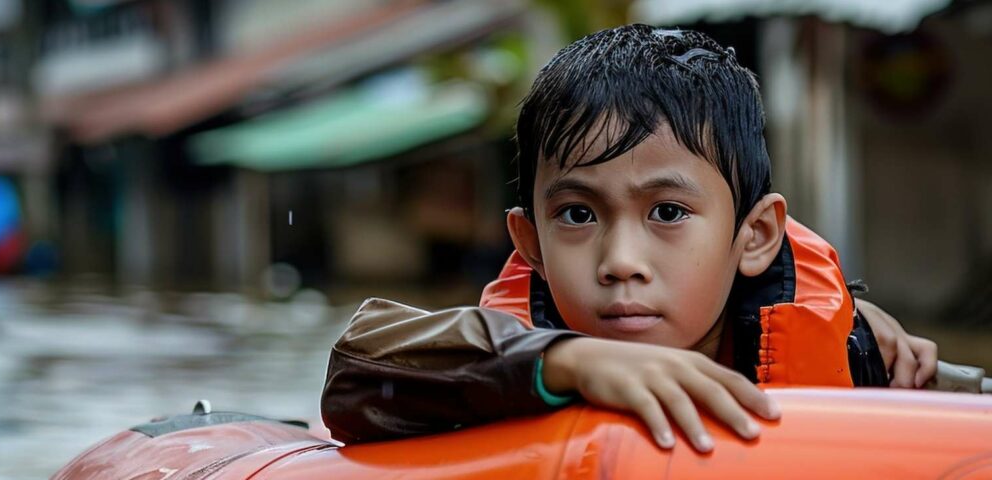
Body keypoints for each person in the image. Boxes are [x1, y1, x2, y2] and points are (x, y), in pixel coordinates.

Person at [320, 24, 941, 453]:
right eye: (578, 216)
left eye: (668, 213)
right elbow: (354, 373)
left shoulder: (866, 360)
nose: (620, 263)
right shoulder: (492, 362)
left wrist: (861, 337)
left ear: (754, 237)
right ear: (529, 243)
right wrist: (567, 361)